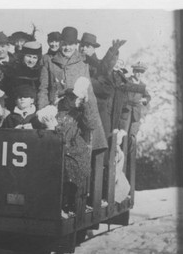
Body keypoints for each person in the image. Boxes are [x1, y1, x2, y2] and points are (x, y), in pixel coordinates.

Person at [37, 26, 107, 152]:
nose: (67, 48)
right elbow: (44, 88)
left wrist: (91, 117)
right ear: (60, 44)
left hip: (77, 114)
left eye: (71, 44)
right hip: (56, 112)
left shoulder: (83, 63)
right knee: (53, 149)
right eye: (64, 44)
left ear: (76, 45)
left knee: (77, 149)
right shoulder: (49, 62)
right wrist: (43, 112)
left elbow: (89, 92)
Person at [53, 77, 100, 217]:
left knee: (72, 165)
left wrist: (85, 105)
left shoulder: (80, 113)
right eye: (71, 98)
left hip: (73, 147)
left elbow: (91, 124)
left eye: (77, 99)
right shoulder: (57, 110)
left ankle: (67, 202)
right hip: (55, 145)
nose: (73, 101)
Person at [80, 32, 127, 138]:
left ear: (94, 48)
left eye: (88, 46)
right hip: (81, 108)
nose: (84, 49)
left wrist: (112, 51)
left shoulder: (98, 64)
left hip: (100, 108)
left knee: (102, 139)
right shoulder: (76, 63)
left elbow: (105, 68)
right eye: (82, 46)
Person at [118, 61, 151, 156]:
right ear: (133, 71)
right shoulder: (127, 81)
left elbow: (148, 97)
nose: (139, 74)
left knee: (132, 138)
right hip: (125, 112)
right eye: (137, 71)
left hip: (136, 115)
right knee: (122, 136)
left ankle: (127, 161)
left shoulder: (142, 85)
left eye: (141, 72)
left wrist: (144, 100)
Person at [4, 41, 42, 110]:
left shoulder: (40, 72)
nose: (31, 60)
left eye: (34, 57)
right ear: (22, 56)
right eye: (28, 56)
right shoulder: (13, 70)